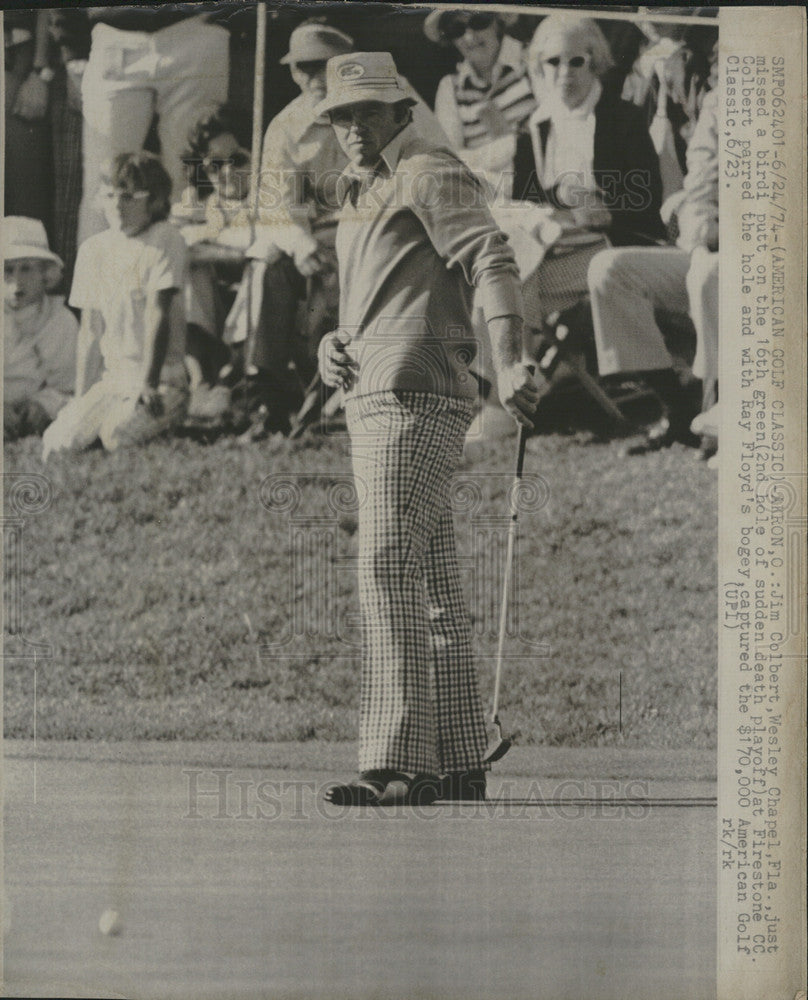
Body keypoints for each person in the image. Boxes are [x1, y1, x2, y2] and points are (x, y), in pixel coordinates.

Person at [316, 52, 539, 806]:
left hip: (418, 392)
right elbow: (372, 296)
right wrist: (332, 343)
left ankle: (393, 760)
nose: (351, 129)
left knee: (384, 562)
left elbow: (490, 256)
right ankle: (457, 756)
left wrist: (510, 360)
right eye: (340, 116)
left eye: (365, 113)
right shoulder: (366, 187)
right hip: (372, 392)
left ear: (400, 110)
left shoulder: (428, 168)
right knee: (431, 578)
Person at [227, 18, 451, 439]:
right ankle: (265, 399)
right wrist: (299, 243)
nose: (312, 77)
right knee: (264, 263)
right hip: (320, 235)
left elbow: (436, 156)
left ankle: (338, 398)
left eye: (322, 66)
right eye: (301, 68)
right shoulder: (287, 124)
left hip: (389, 224)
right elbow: (277, 200)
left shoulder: (390, 95)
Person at [586, 86, 719, 457]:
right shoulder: (721, 101)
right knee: (610, 270)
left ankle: (718, 414)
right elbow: (701, 184)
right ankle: (678, 408)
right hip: (711, 247)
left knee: (711, 273)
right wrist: (695, 218)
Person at [43, 153, 189, 459]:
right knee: (57, 445)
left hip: (161, 378)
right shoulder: (93, 249)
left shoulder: (165, 238)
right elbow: (90, 332)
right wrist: (82, 398)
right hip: (113, 380)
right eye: (110, 196)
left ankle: (162, 415)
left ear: (155, 200)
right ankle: (97, 423)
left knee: (117, 436)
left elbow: (157, 313)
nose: (118, 206)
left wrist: (148, 384)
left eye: (130, 197)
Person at [77, 7, 229, 243]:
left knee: (190, 182)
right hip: (116, 34)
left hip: (194, 30)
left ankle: (181, 276)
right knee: (105, 184)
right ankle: (98, 278)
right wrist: (70, 49)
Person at [424, 9, 535, 192]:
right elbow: (449, 163)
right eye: (456, 29)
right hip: (485, 199)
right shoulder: (450, 88)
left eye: (479, 21)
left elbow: (549, 136)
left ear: (498, 20)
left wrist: (473, 159)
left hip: (538, 191)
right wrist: (513, 145)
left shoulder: (533, 60)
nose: (469, 36)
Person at [4, 217, 78, 441]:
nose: (17, 280)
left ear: (46, 274)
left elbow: (69, 386)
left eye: (26, 269)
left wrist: (44, 406)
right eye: (7, 270)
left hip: (31, 409)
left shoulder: (61, 321)